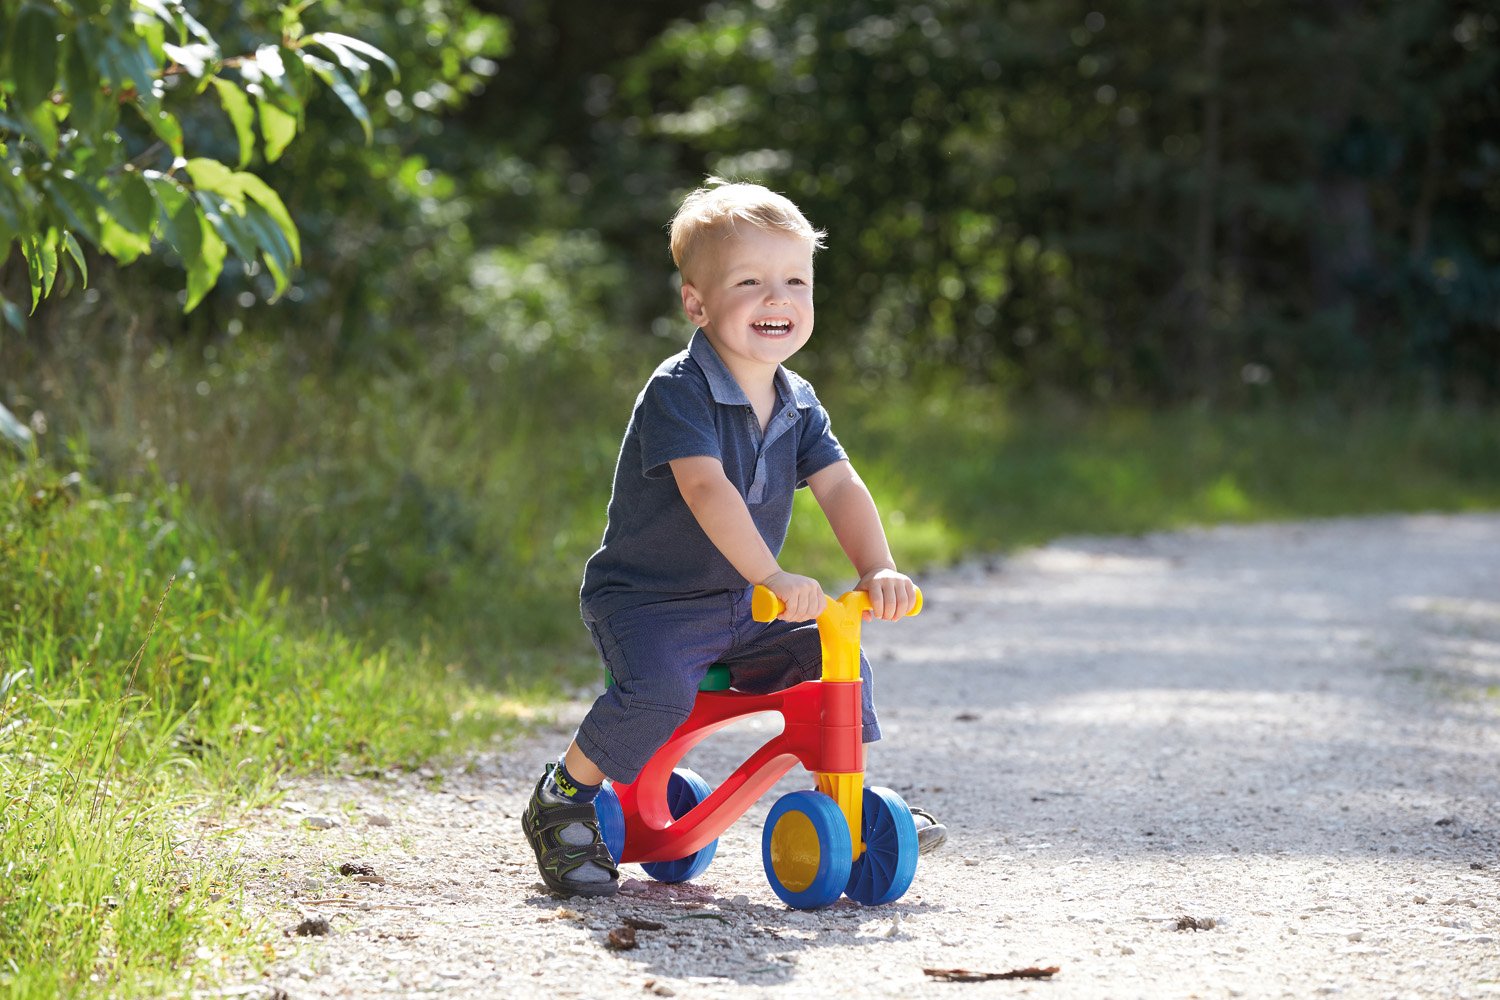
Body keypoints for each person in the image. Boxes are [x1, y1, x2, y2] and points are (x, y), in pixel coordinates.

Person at [522, 178, 946, 899]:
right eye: (750, 282)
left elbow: (840, 484)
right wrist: (772, 577)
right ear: (698, 302)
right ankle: (563, 797)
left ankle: (845, 800)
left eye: (794, 281)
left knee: (832, 655)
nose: (776, 298)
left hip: (745, 608)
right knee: (655, 692)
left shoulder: (797, 399)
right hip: (652, 601)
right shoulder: (679, 389)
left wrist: (876, 566)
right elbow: (706, 490)